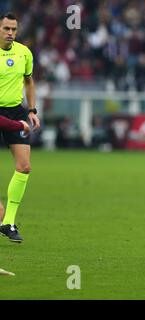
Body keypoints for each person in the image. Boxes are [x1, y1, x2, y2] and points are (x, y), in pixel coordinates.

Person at [0, 13, 40, 243]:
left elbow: (29, 81)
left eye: (14, 29)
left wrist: (32, 110)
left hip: (15, 110)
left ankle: (8, 223)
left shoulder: (24, 53)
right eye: (6, 28)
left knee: (24, 167)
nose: (10, 33)